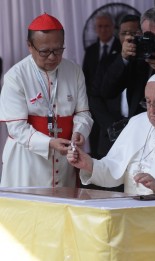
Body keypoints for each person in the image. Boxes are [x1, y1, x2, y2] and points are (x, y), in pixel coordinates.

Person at [67, 72, 155, 200]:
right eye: (148, 102)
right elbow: (114, 168)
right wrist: (90, 164)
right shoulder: (137, 122)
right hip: (130, 206)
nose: (152, 111)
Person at [0, 13, 93, 187]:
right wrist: (49, 142)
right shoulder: (16, 76)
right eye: (44, 51)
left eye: (58, 50)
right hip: (26, 161)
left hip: (65, 158)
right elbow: (17, 128)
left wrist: (80, 131)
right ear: (30, 46)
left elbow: (83, 113)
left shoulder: (74, 71)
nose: (52, 57)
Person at [96, 6, 155, 118]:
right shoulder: (136, 50)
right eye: (149, 36)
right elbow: (107, 91)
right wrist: (124, 58)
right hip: (139, 122)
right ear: (141, 33)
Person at [82, 12, 122, 159]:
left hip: (114, 106)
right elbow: (85, 76)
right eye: (100, 26)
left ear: (113, 27)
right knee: (95, 141)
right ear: (95, 29)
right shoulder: (91, 50)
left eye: (106, 26)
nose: (103, 29)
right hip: (94, 106)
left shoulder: (121, 46)